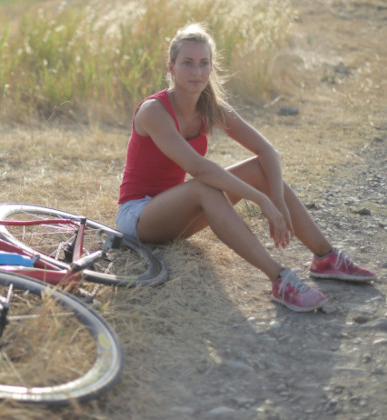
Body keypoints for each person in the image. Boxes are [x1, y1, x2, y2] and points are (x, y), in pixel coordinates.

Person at [116, 23, 376, 312]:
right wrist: (259, 198)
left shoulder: (211, 107)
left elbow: (267, 151)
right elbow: (199, 169)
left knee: (258, 169)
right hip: (138, 216)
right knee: (207, 186)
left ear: (211, 67)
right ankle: (280, 278)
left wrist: (277, 200)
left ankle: (325, 257)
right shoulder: (154, 111)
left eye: (204, 63)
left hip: (175, 213)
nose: (197, 71)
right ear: (171, 67)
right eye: (187, 63)